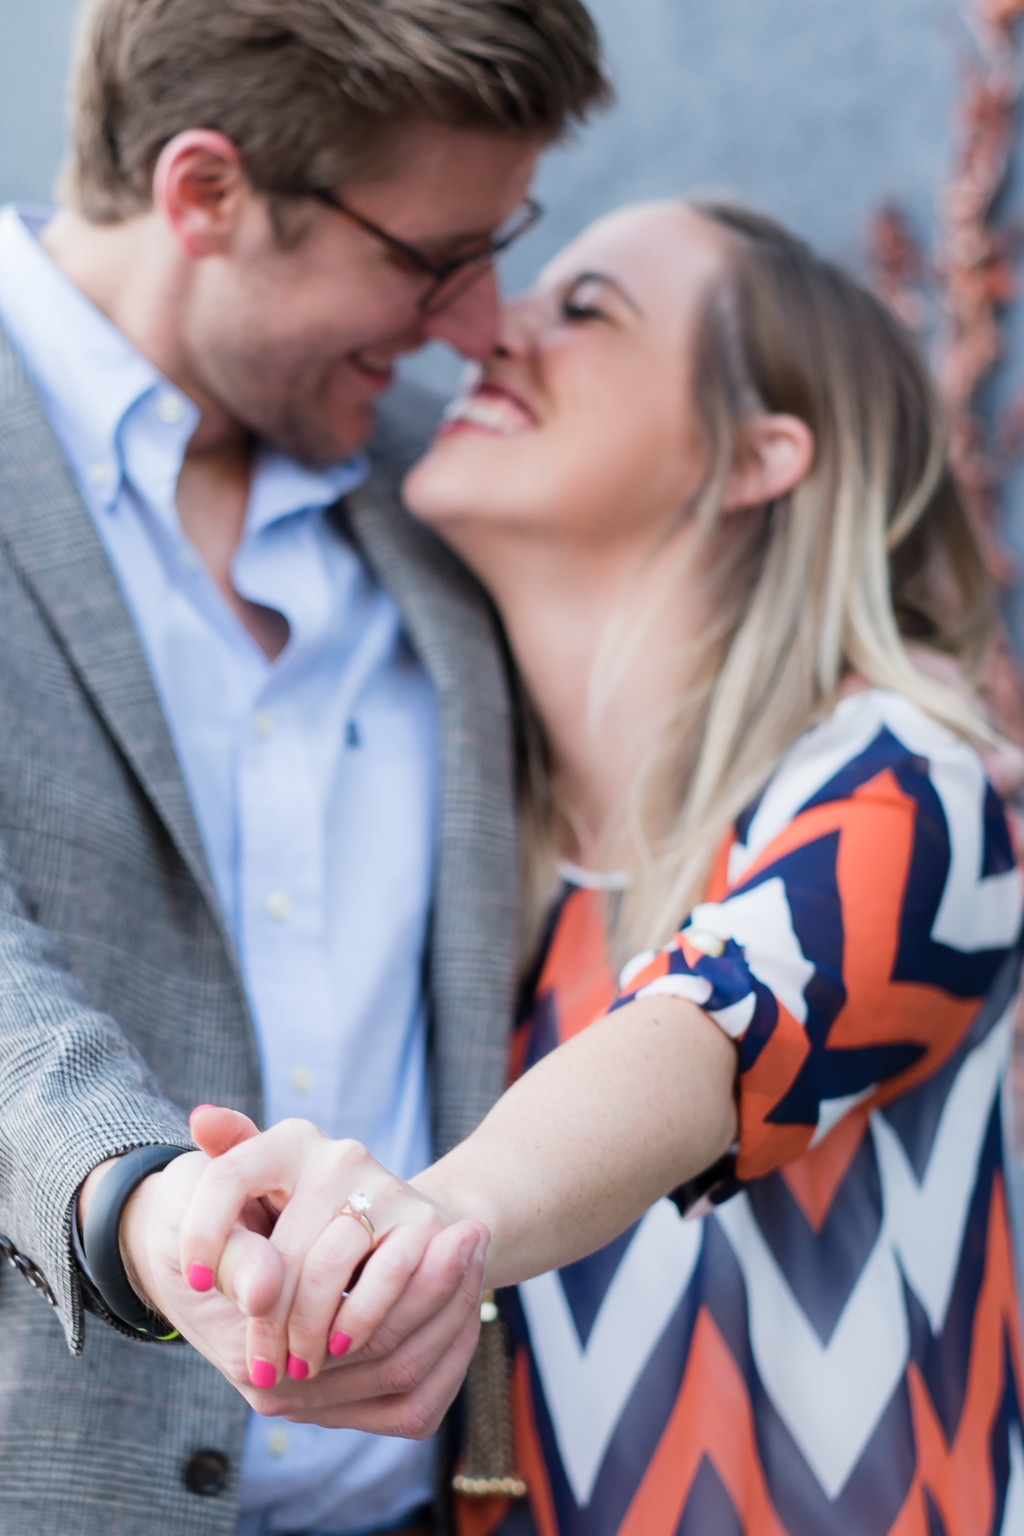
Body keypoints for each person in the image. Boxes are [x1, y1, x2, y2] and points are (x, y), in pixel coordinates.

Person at [185, 201, 1024, 1534]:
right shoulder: (470, 846)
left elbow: (709, 1033)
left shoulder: (908, 782)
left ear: (759, 456)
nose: (491, 328)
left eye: (586, 310)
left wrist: (424, 1225)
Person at [0, 1, 610, 1532]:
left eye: (499, 245)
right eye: (427, 259)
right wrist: (134, 1207)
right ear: (204, 193)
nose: (476, 323)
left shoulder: (452, 485)